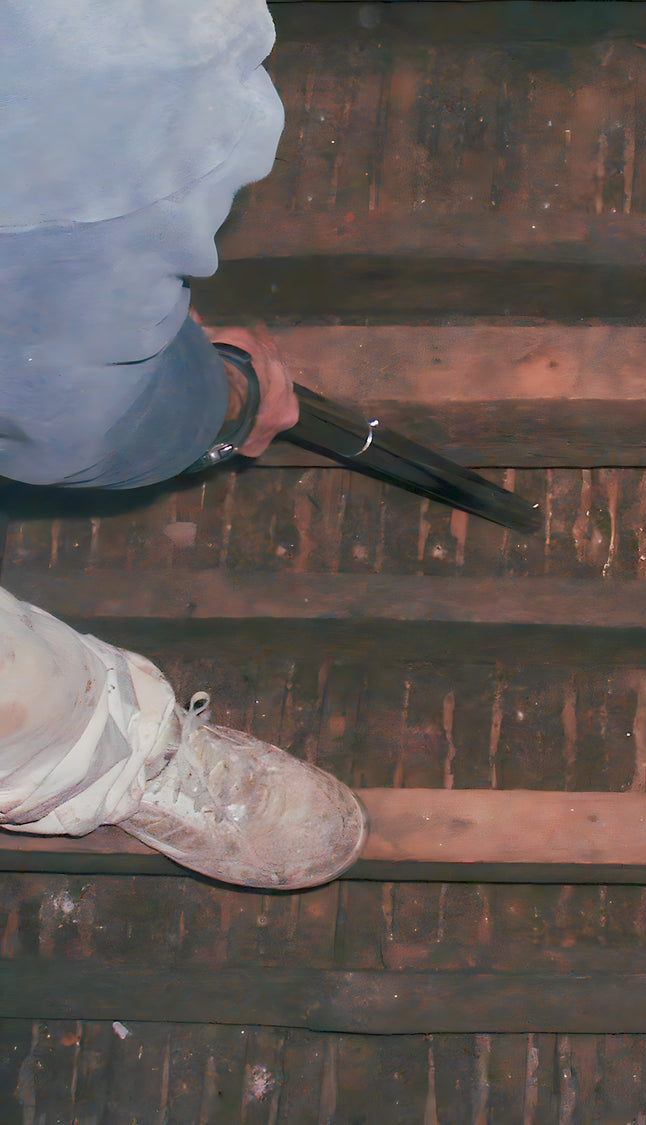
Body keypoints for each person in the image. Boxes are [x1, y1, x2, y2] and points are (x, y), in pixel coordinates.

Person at [0, 0, 367, 888]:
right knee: (18, 699)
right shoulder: (108, 56)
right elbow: (68, 411)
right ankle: (90, 745)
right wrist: (215, 402)